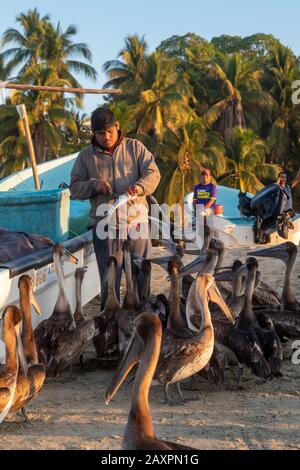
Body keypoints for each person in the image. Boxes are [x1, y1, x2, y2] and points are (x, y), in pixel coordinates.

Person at [70, 107, 161, 308]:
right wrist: (93, 185)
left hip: (137, 224)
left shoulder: (135, 148)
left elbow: (154, 174)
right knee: (109, 279)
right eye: (100, 133)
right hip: (105, 228)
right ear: (93, 133)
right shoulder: (85, 157)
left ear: (117, 127)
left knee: (141, 275)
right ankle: (110, 326)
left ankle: (141, 319)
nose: (106, 137)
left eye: (110, 131)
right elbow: (75, 188)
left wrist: (139, 187)